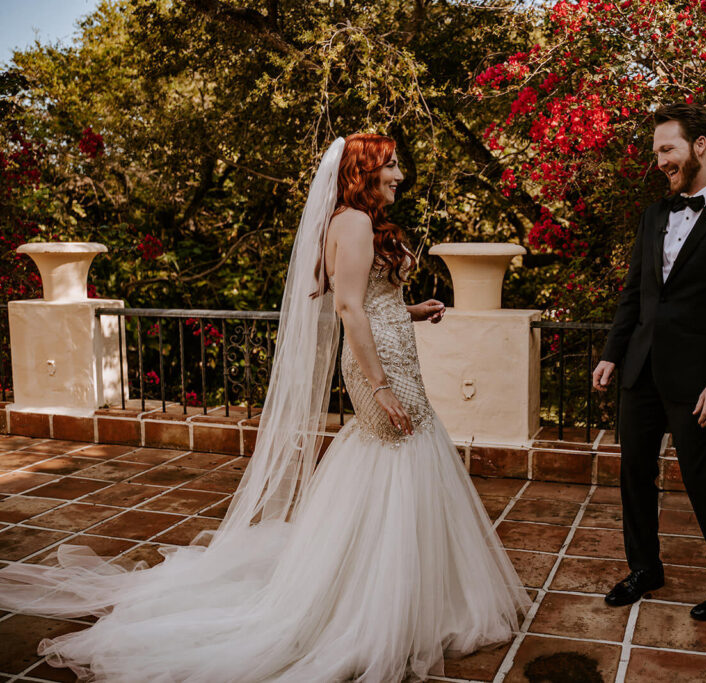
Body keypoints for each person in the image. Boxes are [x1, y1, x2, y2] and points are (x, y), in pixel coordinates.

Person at [0, 134, 531, 681]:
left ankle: (398, 588)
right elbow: (348, 308)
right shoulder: (350, 222)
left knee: (398, 457)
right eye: (391, 165)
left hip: (394, 355)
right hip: (382, 371)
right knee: (397, 455)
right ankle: (367, 601)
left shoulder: (359, 222)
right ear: (365, 171)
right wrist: (379, 387)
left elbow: (374, 301)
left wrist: (415, 310)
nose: (401, 174)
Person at [592, 104, 706, 621]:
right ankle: (646, 568)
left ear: (700, 146)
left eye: (668, 149)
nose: (660, 162)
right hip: (641, 370)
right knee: (633, 473)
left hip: (696, 379)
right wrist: (611, 354)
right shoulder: (653, 216)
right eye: (656, 153)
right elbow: (635, 295)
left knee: (700, 477)